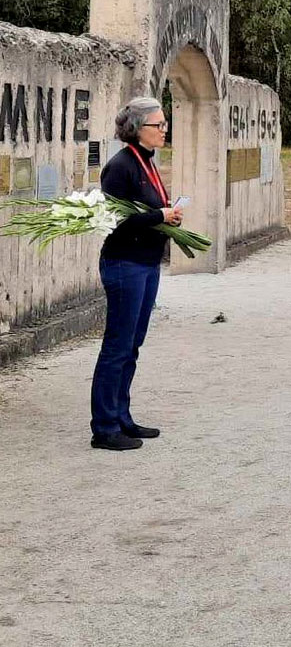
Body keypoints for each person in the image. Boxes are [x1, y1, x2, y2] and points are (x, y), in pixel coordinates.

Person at [89, 97, 184, 451]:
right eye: (158, 125)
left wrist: (168, 215)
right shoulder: (121, 166)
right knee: (117, 345)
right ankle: (104, 427)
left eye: (164, 124)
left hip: (146, 263)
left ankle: (122, 416)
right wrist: (160, 216)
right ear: (136, 129)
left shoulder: (147, 162)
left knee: (133, 344)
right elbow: (114, 221)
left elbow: (149, 209)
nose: (164, 130)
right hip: (124, 263)